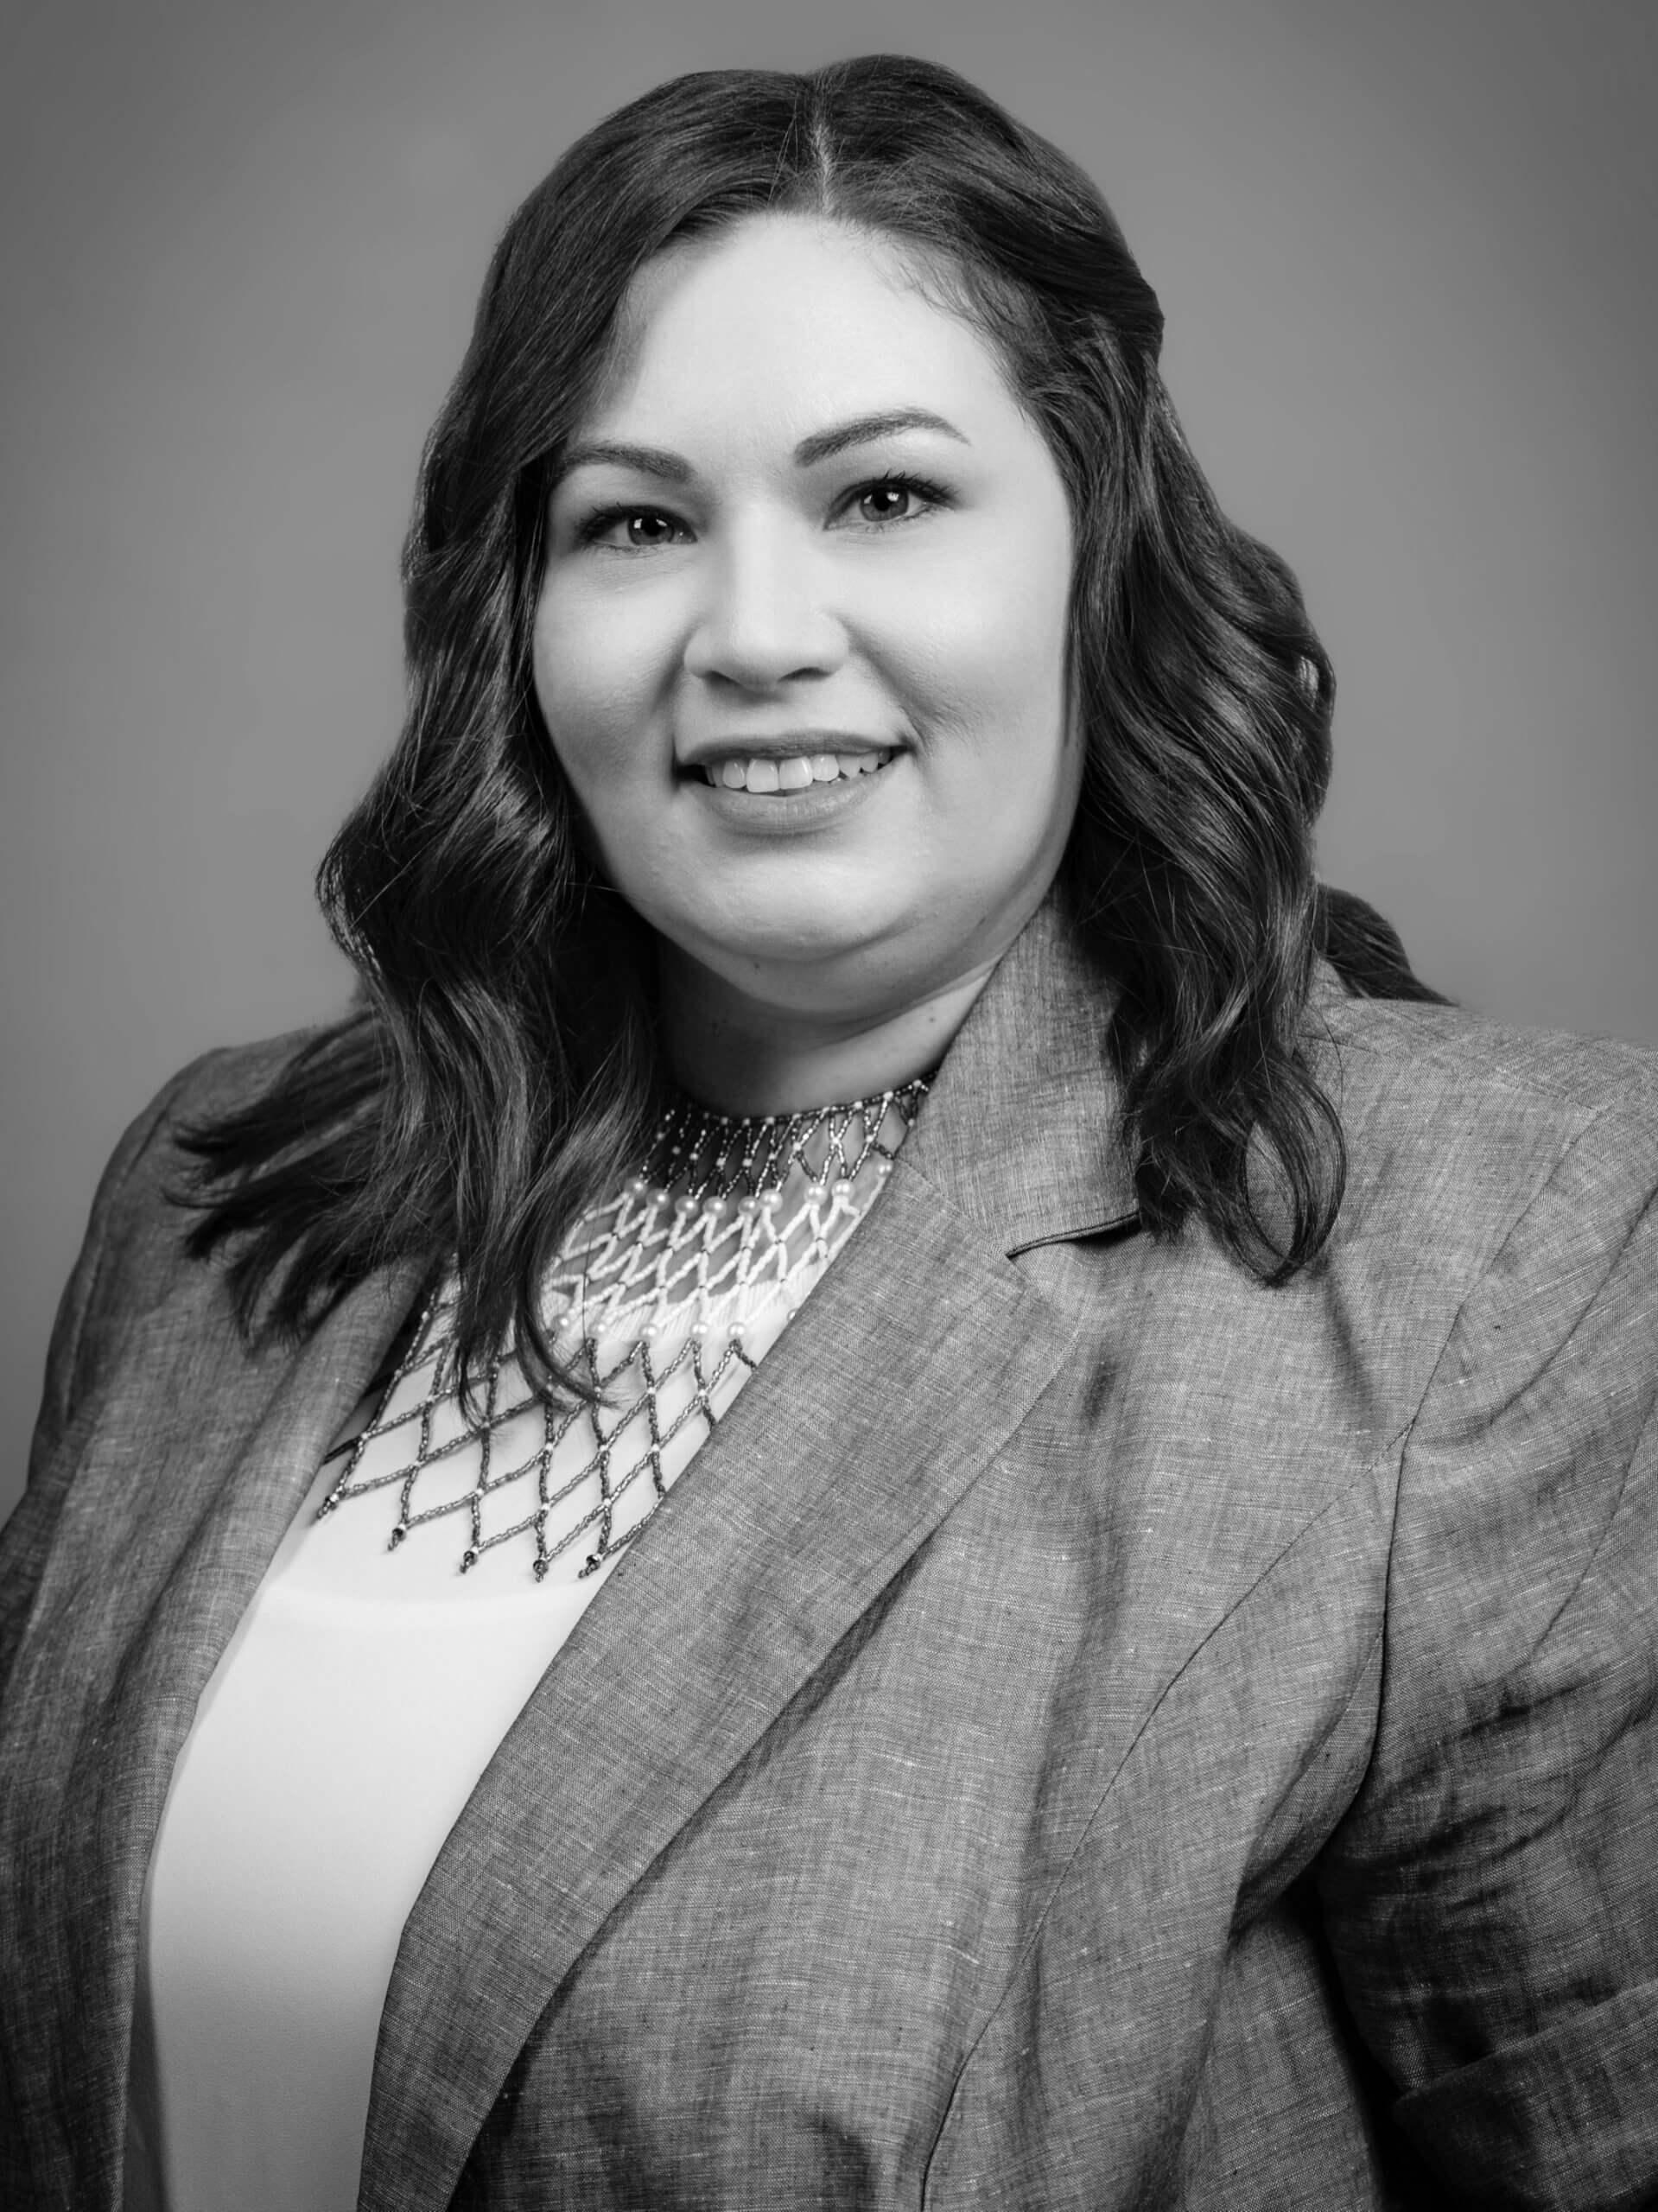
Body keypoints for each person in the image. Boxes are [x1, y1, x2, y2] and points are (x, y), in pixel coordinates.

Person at [3, 49, 1655, 2212]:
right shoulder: (220, 1197)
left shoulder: (1490, 1240)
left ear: (1095, 555)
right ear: (519, 617)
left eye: (884, 496)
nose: (757, 635)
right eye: (637, 521)